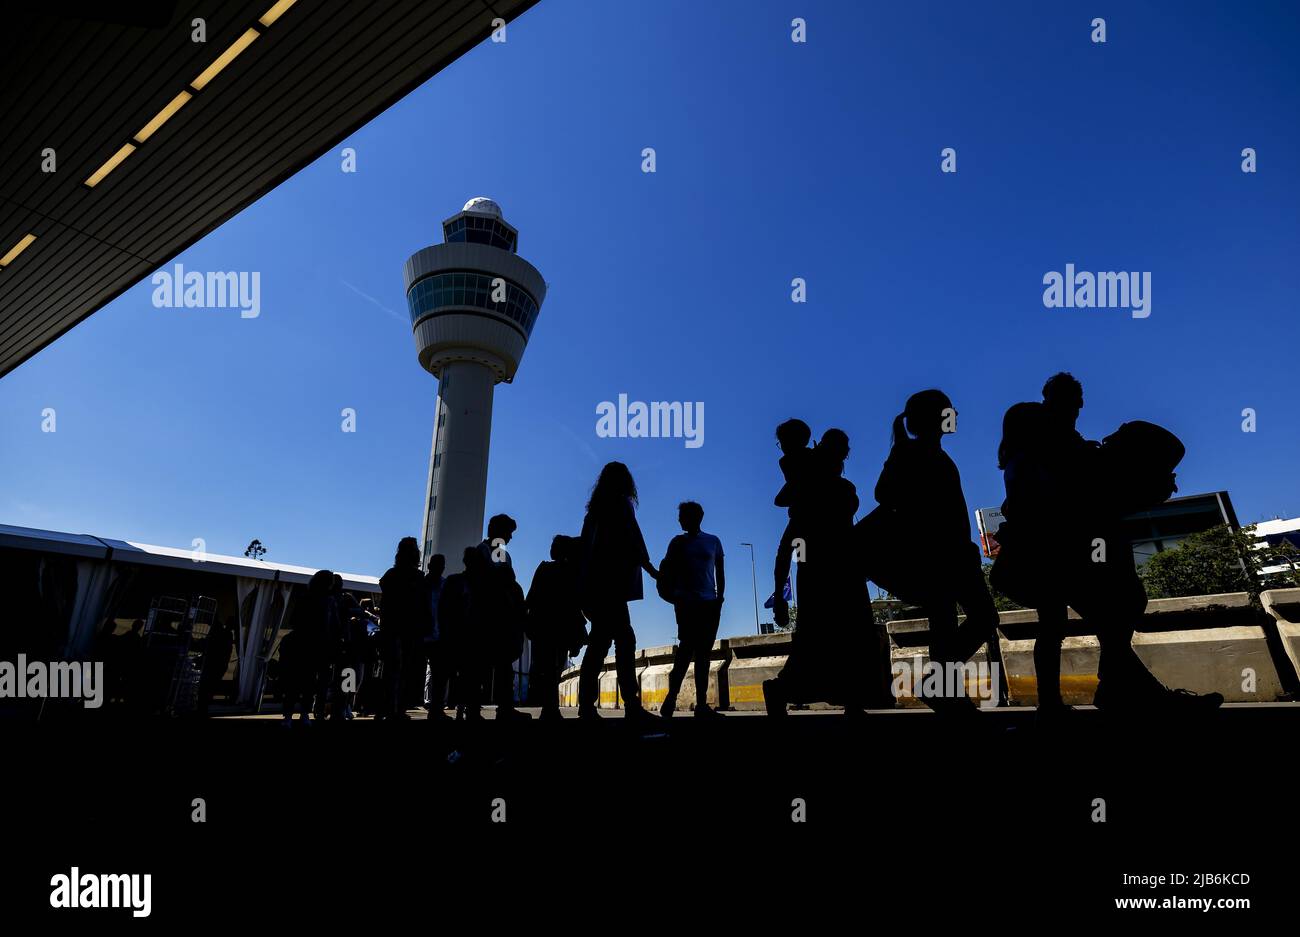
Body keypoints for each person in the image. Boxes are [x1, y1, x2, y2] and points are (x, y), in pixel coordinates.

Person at [991, 399, 1223, 714]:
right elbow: (1062, 503)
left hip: (1041, 560)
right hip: (1042, 560)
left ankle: (1108, 692)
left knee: (1087, 621)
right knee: (1106, 615)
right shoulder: (1036, 462)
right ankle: (1119, 692)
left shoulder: (1034, 460)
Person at [869, 390, 1000, 713]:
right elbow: (884, 493)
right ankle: (944, 691)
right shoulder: (911, 452)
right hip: (939, 554)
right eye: (948, 411)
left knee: (959, 620)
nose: (953, 415)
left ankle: (942, 688)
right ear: (935, 417)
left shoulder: (932, 455)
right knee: (967, 619)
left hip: (953, 553)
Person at [764, 430, 872, 716]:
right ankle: (784, 689)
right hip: (826, 574)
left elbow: (784, 549)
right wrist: (780, 597)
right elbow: (785, 548)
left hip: (834, 572)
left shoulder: (823, 493)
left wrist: (780, 596)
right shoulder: (815, 498)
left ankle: (850, 697)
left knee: (840, 636)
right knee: (822, 637)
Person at [576, 462, 659, 723]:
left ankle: (587, 706)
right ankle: (631, 705)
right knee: (624, 640)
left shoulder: (593, 512)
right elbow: (635, 540)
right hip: (612, 586)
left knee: (600, 643)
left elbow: (583, 551)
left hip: (593, 587)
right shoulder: (622, 505)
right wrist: (652, 570)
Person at [658, 502, 725, 719]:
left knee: (703, 655)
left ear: (697, 517)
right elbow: (666, 569)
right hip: (686, 603)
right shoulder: (677, 542)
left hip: (709, 604)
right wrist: (674, 595)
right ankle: (672, 697)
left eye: (683, 516)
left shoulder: (713, 541)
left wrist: (719, 599)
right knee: (686, 651)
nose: (679, 520)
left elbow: (720, 571)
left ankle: (702, 704)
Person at [525, 535, 588, 722]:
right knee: (555, 668)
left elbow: (531, 598)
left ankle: (548, 707)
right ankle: (550, 708)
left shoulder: (544, 569)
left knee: (545, 667)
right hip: (561, 628)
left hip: (544, 627)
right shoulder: (572, 572)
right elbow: (575, 603)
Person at [475, 514, 530, 721]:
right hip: (496, 617)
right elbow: (504, 577)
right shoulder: (497, 547)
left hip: (489, 615)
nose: (510, 538)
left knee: (487, 665)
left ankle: (475, 708)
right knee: (501, 665)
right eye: (509, 532)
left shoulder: (483, 550)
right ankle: (504, 708)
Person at [377, 537, 429, 722]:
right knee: (405, 670)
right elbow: (423, 606)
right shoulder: (418, 578)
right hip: (410, 630)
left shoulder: (391, 576)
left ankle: (386, 707)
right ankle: (397, 708)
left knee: (390, 670)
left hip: (391, 629)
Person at [281, 570, 338, 726]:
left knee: (295, 681)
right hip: (317, 647)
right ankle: (304, 714)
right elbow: (334, 626)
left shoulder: (304, 598)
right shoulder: (329, 601)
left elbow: (294, 620)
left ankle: (288, 716)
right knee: (309, 682)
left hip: (301, 644)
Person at [771, 419, 812, 631]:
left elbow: (783, 497)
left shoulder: (787, 462)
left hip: (803, 525)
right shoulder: (819, 459)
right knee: (799, 562)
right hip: (816, 524)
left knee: (790, 556)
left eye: (782, 442)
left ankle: (780, 597)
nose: (782, 447)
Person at [423, 554, 450, 721]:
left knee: (438, 674)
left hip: (438, 635)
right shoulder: (424, 585)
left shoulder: (444, 585)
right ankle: (435, 707)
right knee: (437, 674)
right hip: (426, 635)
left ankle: (436, 707)